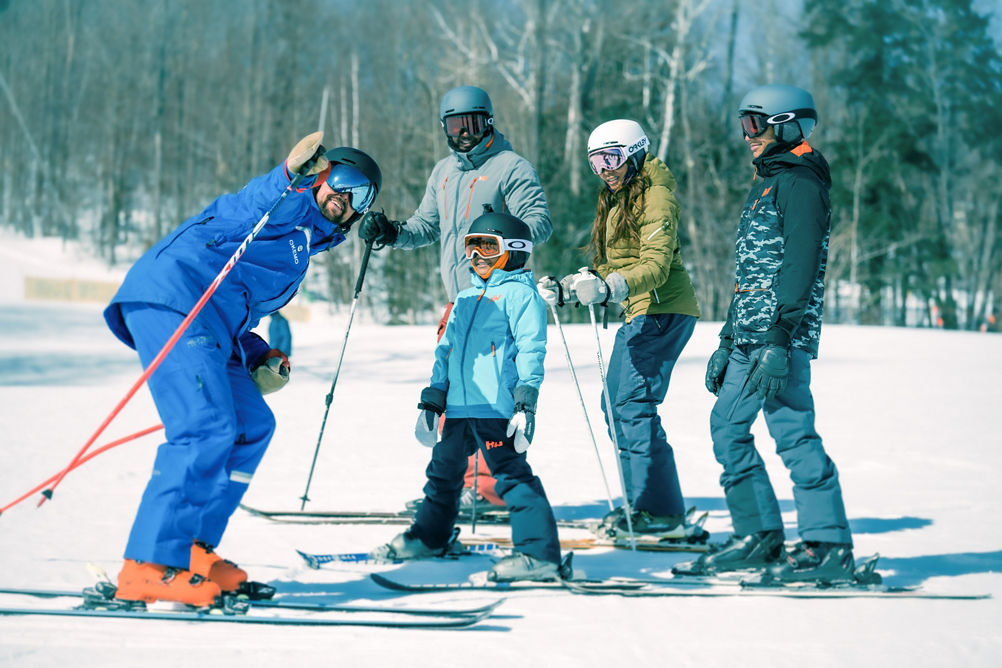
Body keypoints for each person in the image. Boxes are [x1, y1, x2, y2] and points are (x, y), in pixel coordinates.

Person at [103, 132, 382, 605]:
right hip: (175, 300)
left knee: (252, 425)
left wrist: (256, 353)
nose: (347, 197)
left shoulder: (300, 250)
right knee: (205, 427)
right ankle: (146, 564)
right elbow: (251, 204)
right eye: (343, 180)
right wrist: (289, 175)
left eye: (363, 195)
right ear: (321, 177)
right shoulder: (283, 210)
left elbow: (237, 303)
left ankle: (192, 550)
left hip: (213, 324)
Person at [678, 84, 854, 583]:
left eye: (755, 124)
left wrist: (779, 336)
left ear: (786, 124)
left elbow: (799, 265)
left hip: (777, 338)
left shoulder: (800, 183)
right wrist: (727, 337)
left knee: (745, 430)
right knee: (777, 431)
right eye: (743, 125)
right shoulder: (769, 180)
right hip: (751, 337)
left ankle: (800, 542)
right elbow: (753, 271)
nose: (747, 135)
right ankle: (799, 540)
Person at [358, 85, 552, 511]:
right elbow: (425, 227)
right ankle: (454, 489)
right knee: (455, 402)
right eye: (453, 124)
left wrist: (497, 229)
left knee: (489, 401)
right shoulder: (443, 172)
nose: (463, 133)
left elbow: (538, 224)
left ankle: (488, 489)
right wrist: (392, 232)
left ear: (488, 122)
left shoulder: (511, 167)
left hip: (499, 301)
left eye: (471, 123)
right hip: (460, 302)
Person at [371, 212, 563, 582]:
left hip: (495, 407)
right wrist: (432, 400)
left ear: (514, 250)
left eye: (488, 247)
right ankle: (430, 536)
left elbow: (531, 350)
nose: (477, 256)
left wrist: (525, 403)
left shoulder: (521, 296)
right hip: (457, 409)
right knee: (443, 474)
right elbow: (446, 351)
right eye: (471, 247)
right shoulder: (465, 296)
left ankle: (539, 554)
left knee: (510, 475)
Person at [544, 119, 703, 540]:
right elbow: (613, 267)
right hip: (640, 311)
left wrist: (610, 286)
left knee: (632, 406)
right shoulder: (618, 200)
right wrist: (570, 290)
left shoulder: (656, 197)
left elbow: (655, 265)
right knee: (616, 407)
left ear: (635, 152)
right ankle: (644, 506)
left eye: (612, 158)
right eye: (596, 162)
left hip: (663, 310)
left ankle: (661, 511)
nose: (605, 170)